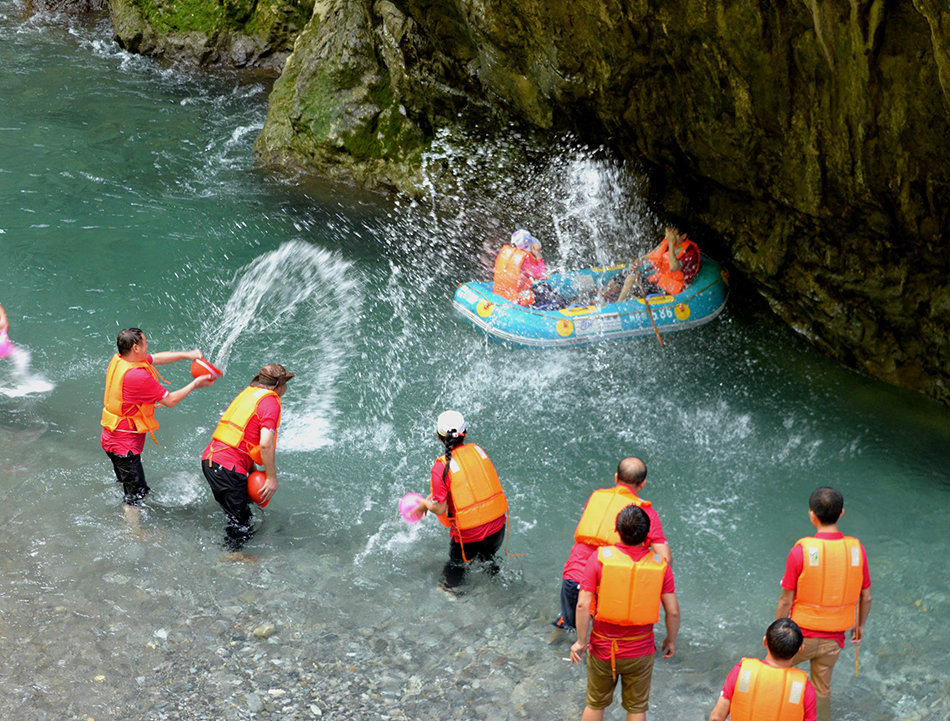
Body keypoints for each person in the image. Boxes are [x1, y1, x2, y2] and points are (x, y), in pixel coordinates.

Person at [570, 504, 680, 721]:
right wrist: (671, 640)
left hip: (603, 648)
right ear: (647, 535)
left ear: (616, 529)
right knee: (637, 708)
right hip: (640, 651)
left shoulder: (599, 558)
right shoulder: (661, 565)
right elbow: (673, 612)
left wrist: (581, 641)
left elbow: (583, 604)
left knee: (595, 703)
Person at [775, 487, 872, 721]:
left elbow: (786, 599)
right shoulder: (857, 551)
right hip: (833, 640)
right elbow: (866, 597)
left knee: (777, 678)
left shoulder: (801, 552)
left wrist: (776, 631)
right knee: (822, 691)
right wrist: (859, 626)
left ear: (812, 515)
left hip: (798, 638)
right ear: (842, 514)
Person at [551, 457, 671, 641]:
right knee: (603, 634)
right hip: (607, 584)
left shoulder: (596, 497)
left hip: (573, 577)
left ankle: (553, 643)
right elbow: (665, 559)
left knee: (570, 624)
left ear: (616, 477)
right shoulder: (645, 513)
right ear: (643, 483)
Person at [101, 328, 212, 506]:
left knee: (125, 483)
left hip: (110, 437)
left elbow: (157, 358)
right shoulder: (139, 376)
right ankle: (134, 532)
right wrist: (195, 384)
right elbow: (170, 401)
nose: (148, 345)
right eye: (145, 342)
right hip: (124, 446)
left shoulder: (121, 360)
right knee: (137, 496)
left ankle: (124, 508)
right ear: (136, 348)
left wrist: (188, 355)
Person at [410, 410, 508, 592]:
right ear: (465, 433)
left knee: (456, 567)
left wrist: (424, 504)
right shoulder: (479, 451)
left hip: (469, 536)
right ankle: (497, 585)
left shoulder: (441, 467)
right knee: (487, 558)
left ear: (439, 437)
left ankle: (452, 596)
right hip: (498, 528)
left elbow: (440, 509)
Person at [201, 363, 293, 550]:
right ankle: (233, 559)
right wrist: (271, 478)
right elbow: (266, 443)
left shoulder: (250, 394)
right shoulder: (271, 403)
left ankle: (233, 552)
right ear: (278, 386)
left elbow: (241, 437)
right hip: (225, 468)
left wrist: (251, 469)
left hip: (212, 460)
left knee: (241, 515)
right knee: (241, 525)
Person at [708, 619, 817, 721]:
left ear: (765, 641)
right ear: (800, 649)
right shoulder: (803, 689)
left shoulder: (742, 674)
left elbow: (716, 717)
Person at [603, 227, 700, 302]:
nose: (668, 235)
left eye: (672, 232)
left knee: (631, 278)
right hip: (658, 283)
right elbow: (649, 256)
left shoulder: (689, 253)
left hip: (669, 292)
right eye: (668, 231)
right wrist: (635, 263)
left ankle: (618, 308)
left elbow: (673, 267)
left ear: (683, 236)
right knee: (627, 273)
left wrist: (671, 244)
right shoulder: (667, 244)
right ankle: (600, 297)